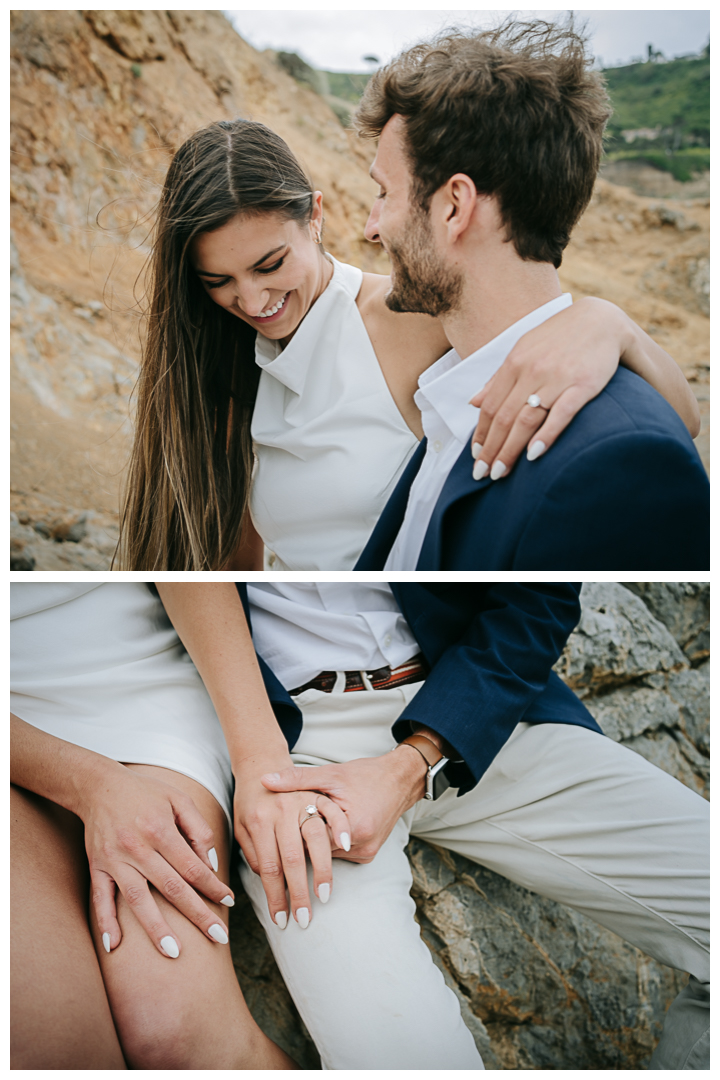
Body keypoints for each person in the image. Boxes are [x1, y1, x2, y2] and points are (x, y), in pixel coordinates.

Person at [159, 581, 709, 1071]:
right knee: (399, 1053)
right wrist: (261, 763)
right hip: (294, 745)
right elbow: (184, 556)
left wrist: (414, 763)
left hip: (479, 709)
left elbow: (542, 593)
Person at [116, 115, 700, 570]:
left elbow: (677, 421)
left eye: (270, 264)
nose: (250, 300)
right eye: (218, 281)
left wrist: (606, 321)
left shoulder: (408, 316)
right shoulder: (225, 366)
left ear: (314, 217)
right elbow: (233, 565)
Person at [353, 23, 709, 570]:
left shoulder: (621, 458)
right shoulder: (450, 386)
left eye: (384, 192)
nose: (372, 228)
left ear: (454, 207)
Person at [10, 582, 306, 1070]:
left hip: (140, 672)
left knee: (175, 1036)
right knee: (48, 1053)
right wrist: (93, 786)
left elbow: (194, 558)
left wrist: (261, 763)